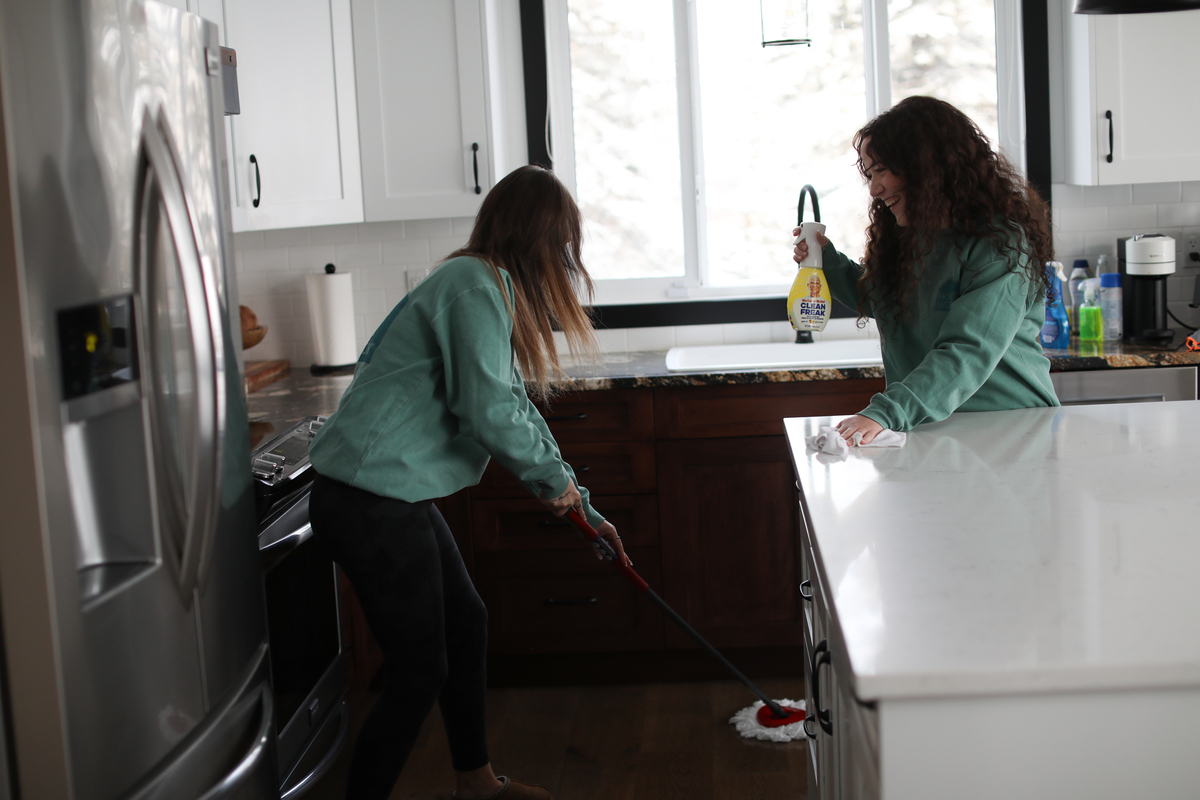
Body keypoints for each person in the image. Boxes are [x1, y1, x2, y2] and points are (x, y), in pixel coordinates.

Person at [307, 165, 627, 800]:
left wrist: (578, 501)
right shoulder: (473, 283)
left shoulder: (485, 283)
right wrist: (557, 490)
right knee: (418, 671)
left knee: (466, 623)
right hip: (369, 498)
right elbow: (487, 408)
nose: (565, 259)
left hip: (387, 494)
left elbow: (508, 398)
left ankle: (475, 781)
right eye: (562, 243)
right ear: (538, 235)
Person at [792, 96, 1059, 443]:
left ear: (926, 165)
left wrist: (887, 412)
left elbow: (969, 349)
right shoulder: (916, 238)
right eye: (870, 174)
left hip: (1011, 430)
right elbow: (887, 302)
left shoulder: (1000, 244)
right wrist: (828, 262)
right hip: (934, 425)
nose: (875, 188)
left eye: (882, 170)